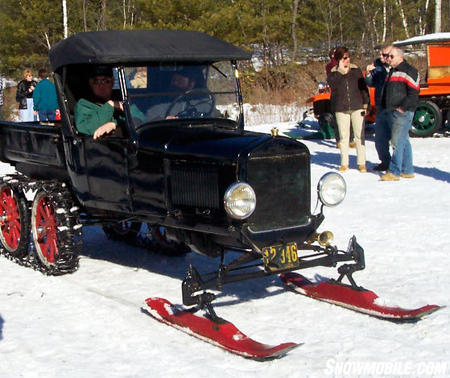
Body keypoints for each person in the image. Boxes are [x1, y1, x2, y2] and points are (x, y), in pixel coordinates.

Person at [378, 47, 419, 181]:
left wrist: (402, 108)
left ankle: (394, 172)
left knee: (396, 142)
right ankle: (407, 170)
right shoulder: (392, 71)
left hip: (403, 111)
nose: (388, 59)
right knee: (403, 141)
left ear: (400, 57)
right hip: (392, 110)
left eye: (391, 56)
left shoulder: (409, 71)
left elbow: (414, 93)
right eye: (387, 56)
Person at [327, 46, 370, 172]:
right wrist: (341, 71)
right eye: (344, 58)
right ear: (339, 59)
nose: (347, 60)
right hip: (341, 107)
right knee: (343, 137)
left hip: (357, 106)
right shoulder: (334, 73)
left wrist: (366, 104)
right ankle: (344, 163)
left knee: (359, 135)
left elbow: (363, 88)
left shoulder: (356, 70)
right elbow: (333, 87)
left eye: (348, 57)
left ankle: (361, 163)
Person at [74, 66, 145, 139]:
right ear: (91, 83)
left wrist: (114, 125)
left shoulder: (123, 98)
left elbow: (140, 120)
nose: (101, 85)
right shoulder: (84, 104)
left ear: (113, 82)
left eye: (106, 81)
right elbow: (86, 127)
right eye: (96, 81)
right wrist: (110, 105)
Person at [365, 45, 392, 171]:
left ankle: (400, 164)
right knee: (380, 137)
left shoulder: (399, 66)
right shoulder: (377, 65)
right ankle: (385, 161)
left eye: (384, 55)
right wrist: (369, 74)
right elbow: (371, 83)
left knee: (398, 139)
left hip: (395, 106)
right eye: (380, 54)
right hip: (381, 105)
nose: (380, 57)